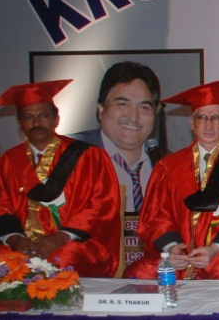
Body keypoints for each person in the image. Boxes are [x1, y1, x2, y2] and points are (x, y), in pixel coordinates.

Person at [124, 81, 219, 280]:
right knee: (139, 272)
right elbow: (156, 217)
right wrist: (172, 248)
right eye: (202, 117)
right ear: (192, 123)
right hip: (182, 255)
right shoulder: (169, 166)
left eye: (216, 118)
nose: (209, 125)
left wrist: (215, 249)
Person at [0, 79, 122, 276]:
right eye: (28, 117)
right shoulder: (6, 163)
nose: (36, 123)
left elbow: (102, 205)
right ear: (20, 124)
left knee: (62, 259)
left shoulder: (89, 157)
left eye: (43, 116)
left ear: (56, 119)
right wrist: (15, 239)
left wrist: (61, 237)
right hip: (24, 244)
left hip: (76, 243)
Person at [68, 61, 164, 213]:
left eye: (144, 107)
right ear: (101, 110)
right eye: (122, 104)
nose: (133, 117)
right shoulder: (68, 156)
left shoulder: (167, 165)